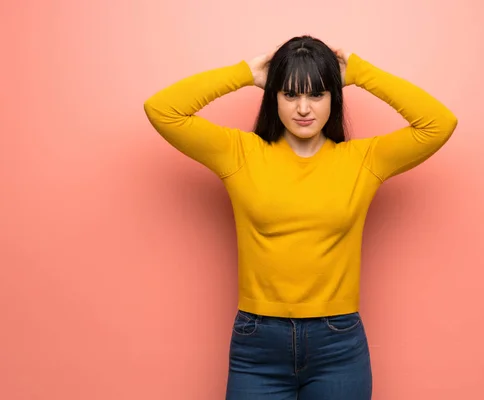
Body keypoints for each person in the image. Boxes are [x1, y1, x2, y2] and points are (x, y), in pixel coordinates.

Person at [143, 35, 458, 400]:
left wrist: (361, 73)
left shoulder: (364, 160)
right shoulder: (240, 154)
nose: (303, 108)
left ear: (334, 98)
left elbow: (439, 123)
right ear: (273, 96)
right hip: (257, 344)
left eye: (317, 94)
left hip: (338, 345)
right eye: (290, 94)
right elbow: (162, 109)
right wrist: (245, 73)